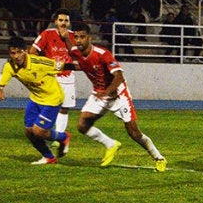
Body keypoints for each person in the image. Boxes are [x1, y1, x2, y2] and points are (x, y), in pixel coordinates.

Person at [70, 23, 167, 171]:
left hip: (118, 96)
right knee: (82, 125)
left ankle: (159, 158)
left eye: (82, 37)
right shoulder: (77, 53)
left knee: (134, 133)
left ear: (89, 38)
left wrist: (107, 91)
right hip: (99, 94)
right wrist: (59, 66)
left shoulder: (103, 54)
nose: (78, 40)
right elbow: (81, 64)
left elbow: (119, 76)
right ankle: (110, 144)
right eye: (76, 37)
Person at [0, 37, 72, 164]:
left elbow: (66, 65)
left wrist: (89, 66)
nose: (16, 56)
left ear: (25, 51)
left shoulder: (40, 62)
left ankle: (63, 137)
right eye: (13, 53)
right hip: (35, 99)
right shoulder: (10, 66)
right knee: (29, 132)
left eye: (19, 52)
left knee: (38, 131)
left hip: (53, 98)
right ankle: (49, 157)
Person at [30, 8, 77, 140]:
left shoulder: (74, 36)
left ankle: (58, 136)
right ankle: (40, 130)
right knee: (46, 105)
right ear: (55, 21)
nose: (63, 23)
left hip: (68, 75)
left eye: (66, 20)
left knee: (64, 108)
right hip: (51, 76)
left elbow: (78, 55)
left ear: (69, 23)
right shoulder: (47, 34)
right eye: (60, 20)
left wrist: (67, 39)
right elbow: (32, 51)